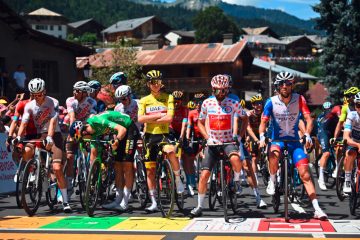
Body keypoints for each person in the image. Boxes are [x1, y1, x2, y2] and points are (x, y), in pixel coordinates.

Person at [259, 71, 327, 220]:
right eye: (282, 83)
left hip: (294, 142)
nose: (285, 86)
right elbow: (263, 122)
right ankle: (272, 180)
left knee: (305, 174)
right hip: (277, 139)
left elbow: (308, 119)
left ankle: (316, 208)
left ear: (292, 85)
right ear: (277, 86)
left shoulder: (299, 99)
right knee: (274, 154)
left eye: (288, 83)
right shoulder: (271, 101)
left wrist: (307, 134)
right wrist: (262, 136)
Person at [190, 74, 248, 217]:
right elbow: (200, 123)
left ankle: (235, 181)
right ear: (212, 89)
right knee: (204, 175)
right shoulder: (206, 103)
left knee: (236, 160)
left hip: (228, 141)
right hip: (213, 143)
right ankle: (199, 206)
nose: (220, 94)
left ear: (228, 90)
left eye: (223, 91)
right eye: (216, 90)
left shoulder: (233, 103)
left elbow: (244, 119)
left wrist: (240, 136)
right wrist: (207, 138)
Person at [13, 78, 71, 213]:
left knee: (56, 168)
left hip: (54, 135)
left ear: (44, 91)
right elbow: (24, 123)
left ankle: (66, 201)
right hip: (39, 135)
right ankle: (33, 170)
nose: (37, 97)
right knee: (26, 150)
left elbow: (52, 121)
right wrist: (18, 137)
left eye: (40, 94)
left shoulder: (52, 102)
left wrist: (50, 137)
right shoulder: (29, 105)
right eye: (34, 95)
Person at [69, 110, 140, 211]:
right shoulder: (92, 133)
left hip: (128, 128)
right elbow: (93, 151)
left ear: (84, 132)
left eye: (82, 139)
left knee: (127, 165)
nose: (84, 141)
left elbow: (122, 129)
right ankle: (118, 200)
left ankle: (125, 201)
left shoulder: (98, 121)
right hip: (119, 132)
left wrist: (117, 141)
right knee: (117, 166)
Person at [138, 69, 184, 212]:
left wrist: (151, 117)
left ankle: (177, 178)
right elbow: (140, 119)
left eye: (158, 82)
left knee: (170, 151)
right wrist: (159, 115)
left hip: (163, 133)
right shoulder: (144, 100)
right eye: (152, 82)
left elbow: (169, 118)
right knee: (150, 171)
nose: (156, 85)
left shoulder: (168, 97)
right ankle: (153, 202)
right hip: (150, 136)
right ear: (148, 84)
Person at [64, 81, 96, 201]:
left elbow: (92, 117)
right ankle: (69, 184)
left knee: (92, 149)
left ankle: (91, 175)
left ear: (84, 93)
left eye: (77, 91)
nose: (74, 93)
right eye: (74, 90)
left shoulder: (92, 102)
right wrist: (72, 132)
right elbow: (72, 117)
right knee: (70, 157)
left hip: (86, 126)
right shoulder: (70, 100)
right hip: (74, 125)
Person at [316, 101, 341, 190]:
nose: (328, 110)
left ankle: (337, 166)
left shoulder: (339, 112)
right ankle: (321, 178)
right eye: (327, 109)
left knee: (340, 148)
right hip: (323, 132)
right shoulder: (322, 116)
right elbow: (319, 128)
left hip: (333, 132)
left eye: (329, 108)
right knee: (326, 153)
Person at [342, 92, 360, 194]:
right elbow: (346, 137)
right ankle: (347, 181)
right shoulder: (352, 115)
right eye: (358, 105)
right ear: (355, 105)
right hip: (353, 141)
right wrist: (357, 145)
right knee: (350, 154)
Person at [246, 94, 264, 183]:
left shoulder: (265, 113)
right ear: (253, 105)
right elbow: (248, 128)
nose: (259, 105)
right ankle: (255, 178)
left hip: (263, 134)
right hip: (254, 135)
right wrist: (256, 140)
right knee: (254, 158)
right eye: (256, 103)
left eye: (260, 103)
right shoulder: (249, 114)